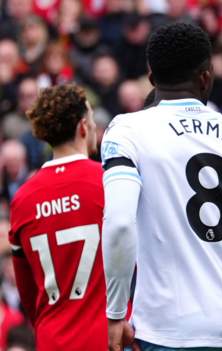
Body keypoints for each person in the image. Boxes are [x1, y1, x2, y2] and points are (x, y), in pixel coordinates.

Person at [101, 22, 222, 351]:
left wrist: (115, 314)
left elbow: (118, 224)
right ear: (207, 75)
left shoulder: (126, 130)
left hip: (162, 330)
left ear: (151, 77)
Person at [9, 84, 107, 351]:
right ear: (82, 127)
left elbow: (26, 291)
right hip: (105, 337)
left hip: (52, 339)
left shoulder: (22, 198)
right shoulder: (107, 181)